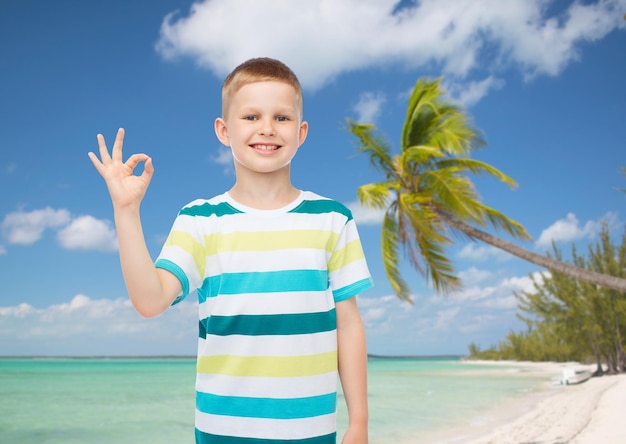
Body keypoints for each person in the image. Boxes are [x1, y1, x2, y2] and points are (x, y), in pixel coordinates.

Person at [89, 57, 373, 443]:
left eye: (282, 118)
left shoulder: (332, 219)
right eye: (251, 117)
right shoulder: (200, 220)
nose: (267, 129)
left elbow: (349, 324)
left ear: (302, 131)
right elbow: (150, 301)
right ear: (223, 130)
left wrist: (359, 422)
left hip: (311, 431)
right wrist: (126, 211)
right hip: (221, 432)